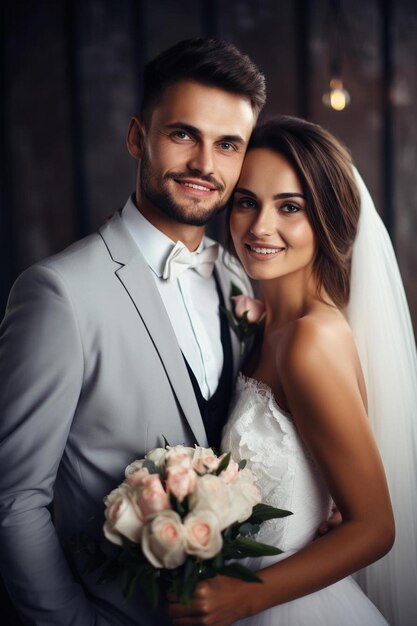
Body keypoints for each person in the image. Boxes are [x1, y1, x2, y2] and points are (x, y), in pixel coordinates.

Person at [0, 38, 264, 626]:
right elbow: (15, 501)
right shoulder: (58, 294)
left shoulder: (239, 275)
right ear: (136, 137)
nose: (204, 164)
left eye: (228, 145)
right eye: (182, 135)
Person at [167, 117, 417, 626]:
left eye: (290, 207)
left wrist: (250, 596)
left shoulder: (309, 341)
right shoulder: (265, 324)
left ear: (326, 219)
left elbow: (374, 528)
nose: (260, 227)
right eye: (247, 202)